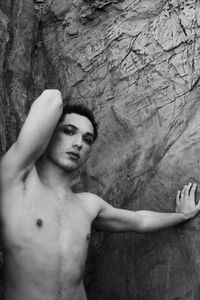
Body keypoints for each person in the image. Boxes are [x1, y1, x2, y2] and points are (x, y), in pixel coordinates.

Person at [0, 89, 199, 300]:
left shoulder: (88, 205)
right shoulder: (15, 180)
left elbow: (140, 220)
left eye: (87, 139)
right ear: (48, 134)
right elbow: (52, 100)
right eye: (69, 131)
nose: (78, 143)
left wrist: (182, 216)